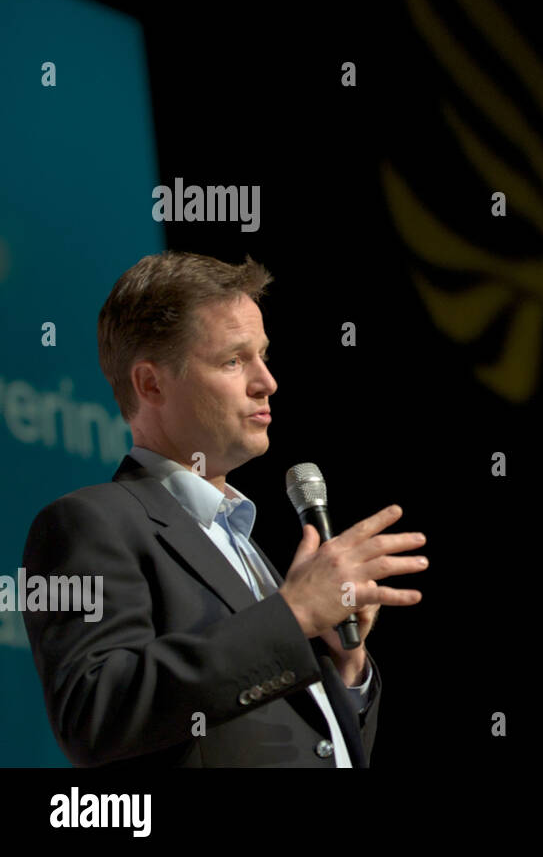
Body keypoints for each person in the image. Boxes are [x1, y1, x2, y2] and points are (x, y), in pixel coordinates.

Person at [21, 251, 428, 767]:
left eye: (263, 354)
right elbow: (95, 712)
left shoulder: (243, 543)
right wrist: (294, 614)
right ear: (151, 384)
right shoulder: (89, 524)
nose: (267, 381)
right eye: (234, 360)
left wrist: (345, 668)